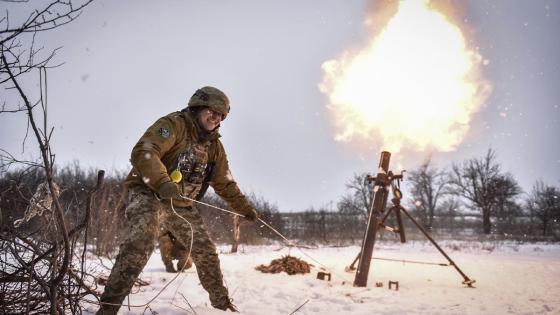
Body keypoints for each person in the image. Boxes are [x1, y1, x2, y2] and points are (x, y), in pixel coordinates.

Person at [97, 86, 258, 314]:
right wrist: (162, 182)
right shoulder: (173, 125)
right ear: (197, 107)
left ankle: (222, 306)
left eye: (221, 115)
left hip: (181, 205)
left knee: (206, 252)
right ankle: (107, 308)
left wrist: (244, 207)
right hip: (148, 193)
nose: (216, 118)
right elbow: (144, 151)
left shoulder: (215, 147)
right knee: (141, 241)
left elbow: (224, 182)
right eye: (212, 111)